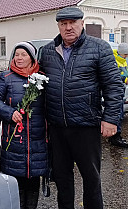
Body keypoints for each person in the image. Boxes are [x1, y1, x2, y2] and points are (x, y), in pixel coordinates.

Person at [39, 7, 124, 209]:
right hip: (57, 127)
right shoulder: (49, 51)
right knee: (62, 178)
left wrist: (111, 118)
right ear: (59, 26)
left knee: (91, 178)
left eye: (73, 23)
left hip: (86, 126)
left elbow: (113, 85)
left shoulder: (99, 48)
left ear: (82, 24)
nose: (68, 28)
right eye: (63, 24)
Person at [0, 42, 47, 208]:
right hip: (14, 138)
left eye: (24, 54)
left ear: (31, 57)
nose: (19, 58)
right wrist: (9, 113)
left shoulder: (41, 77)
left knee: (33, 179)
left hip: (37, 138)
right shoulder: (6, 77)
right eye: (17, 55)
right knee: (16, 182)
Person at [109, 43, 128, 148]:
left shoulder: (123, 60)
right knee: (117, 115)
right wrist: (125, 80)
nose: (126, 56)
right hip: (115, 92)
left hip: (121, 90)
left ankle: (116, 136)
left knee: (120, 115)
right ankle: (115, 137)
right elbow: (114, 77)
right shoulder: (115, 61)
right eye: (126, 54)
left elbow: (124, 74)